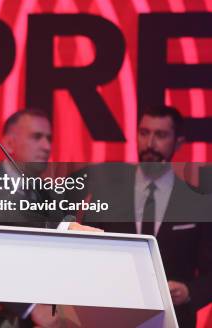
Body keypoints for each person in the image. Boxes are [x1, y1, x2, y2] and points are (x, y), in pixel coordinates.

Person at [0, 109, 98, 328]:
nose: (46, 146)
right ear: (8, 143)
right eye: (37, 137)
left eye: (49, 139)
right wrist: (30, 307)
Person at [83, 105, 212, 328]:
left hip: (174, 320)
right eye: (144, 133)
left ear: (178, 142)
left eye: (160, 135)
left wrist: (190, 291)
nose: (150, 143)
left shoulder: (198, 203)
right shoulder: (105, 196)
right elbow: (85, 259)